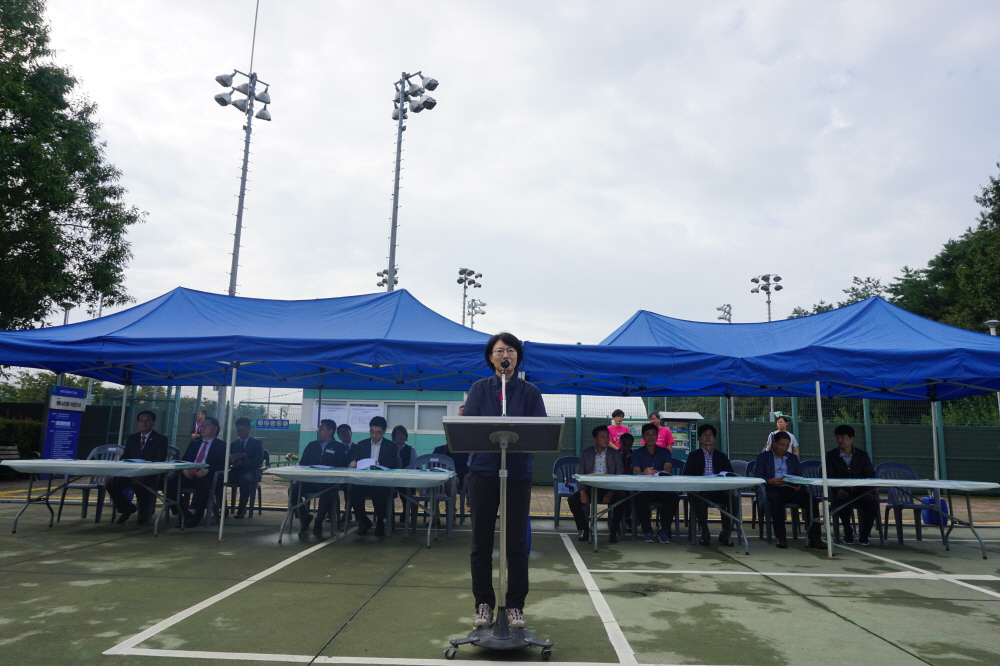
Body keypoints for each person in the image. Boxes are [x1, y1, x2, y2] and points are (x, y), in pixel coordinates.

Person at [464, 332, 545, 632]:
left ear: (517, 358)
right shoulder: (479, 389)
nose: (504, 355)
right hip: (483, 472)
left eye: (510, 350)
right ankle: (483, 604)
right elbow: (470, 427)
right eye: (499, 351)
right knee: (481, 541)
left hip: (518, 473)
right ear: (491, 358)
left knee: (516, 543)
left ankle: (515, 606)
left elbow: (539, 430)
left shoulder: (530, 392)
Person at [754, 431, 823, 549]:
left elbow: (799, 475)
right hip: (773, 488)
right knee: (776, 500)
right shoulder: (763, 457)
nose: (784, 448)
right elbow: (757, 475)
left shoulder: (793, 458)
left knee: (812, 500)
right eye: (781, 445)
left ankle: (815, 537)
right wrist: (769, 481)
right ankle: (781, 537)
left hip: (791, 488)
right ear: (774, 442)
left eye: (787, 446)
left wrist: (798, 484)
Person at [106, 411, 168, 525]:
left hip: (150, 474)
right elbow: (125, 458)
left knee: (139, 483)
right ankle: (127, 508)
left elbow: (159, 460)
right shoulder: (132, 438)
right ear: (138, 423)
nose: (144, 423)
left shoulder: (161, 439)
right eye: (141, 420)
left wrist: (143, 473)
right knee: (111, 482)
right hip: (131, 473)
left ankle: (144, 513)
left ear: (153, 422)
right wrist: (117, 472)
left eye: (147, 420)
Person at [568, 425, 626, 543]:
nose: (606, 439)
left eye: (607, 437)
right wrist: (582, 492)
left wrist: (610, 493)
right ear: (595, 439)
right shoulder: (586, 452)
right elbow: (580, 474)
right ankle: (585, 530)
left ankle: (613, 532)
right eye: (602, 437)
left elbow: (619, 475)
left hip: (610, 488)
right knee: (572, 500)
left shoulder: (616, 454)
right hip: (590, 488)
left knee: (621, 500)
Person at [295, 419, 352, 536]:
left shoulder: (339, 447)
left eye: (321, 429)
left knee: (327, 492)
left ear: (330, 431)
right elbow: (303, 463)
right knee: (293, 490)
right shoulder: (312, 445)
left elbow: (342, 464)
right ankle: (304, 516)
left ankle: (319, 520)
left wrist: (329, 469)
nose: (319, 431)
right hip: (310, 480)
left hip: (328, 481)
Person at [169, 417, 227, 528]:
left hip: (207, 476)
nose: (203, 428)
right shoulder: (194, 444)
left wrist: (208, 470)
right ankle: (183, 512)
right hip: (189, 474)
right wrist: (184, 469)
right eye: (202, 426)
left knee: (203, 485)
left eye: (207, 425)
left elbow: (223, 463)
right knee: (169, 481)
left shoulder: (222, 445)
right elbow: (184, 460)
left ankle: (198, 515)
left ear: (215, 428)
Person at [683, 424, 735, 546]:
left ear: (714, 438)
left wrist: (730, 486)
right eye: (704, 435)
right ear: (699, 438)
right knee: (699, 499)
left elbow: (730, 474)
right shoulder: (693, 455)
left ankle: (726, 533)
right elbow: (687, 474)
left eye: (710, 435)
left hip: (719, 490)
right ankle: (705, 532)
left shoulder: (721, 456)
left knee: (734, 500)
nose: (707, 437)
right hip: (700, 490)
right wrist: (694, 487)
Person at [349, 416, 401, 536]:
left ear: (384, 431)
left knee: (378, 492)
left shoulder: (391, 446)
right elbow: (355, 460)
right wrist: (353, 464)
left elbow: (393, 464)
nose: (374, 435)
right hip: (364, 481)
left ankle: (380, 522)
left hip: (382, 481)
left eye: (378, 432)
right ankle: (364, 520)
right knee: (353, 493)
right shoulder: (362, 444)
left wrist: (377, 464)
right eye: (372, 431)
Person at [826, 425, 877, 546]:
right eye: (837, 438)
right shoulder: (831, 455)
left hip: (860, 491)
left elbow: (870, 475)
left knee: (872, 503)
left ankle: (864, 533)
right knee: (842, 502)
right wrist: (838, 489)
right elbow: (829, 476)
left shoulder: (862, 455)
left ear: (852, 438)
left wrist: (869, 491)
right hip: (841, 491)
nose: (840, 440)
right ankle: (848, 531)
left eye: (843, 437)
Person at [632, 423, 679, 543]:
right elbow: (636, 472)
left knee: (674, 497)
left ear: (657, 436)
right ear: (643, 436)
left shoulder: (665, 452)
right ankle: (647, 530)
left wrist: (658, 472)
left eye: (654, 434)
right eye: (648, 434)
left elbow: (668, 469)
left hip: (662, 488)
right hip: (644, 489)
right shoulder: (637, 453)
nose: (651, 437)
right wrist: (644, 473)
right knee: (638, 497)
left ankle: (663, 529)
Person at [229, 417, 264, 519]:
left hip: (252, 471)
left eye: (243, 430)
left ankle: (242, 509)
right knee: (220, 479)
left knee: (244, 480)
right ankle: (222, 507)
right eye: (238, 430)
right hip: (236, 470)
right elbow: (228, 458)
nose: (241, 433)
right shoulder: (233, 444)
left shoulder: (257, 443)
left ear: (249, 429)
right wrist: (232, 462)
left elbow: (258, 460)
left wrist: (243, 463)